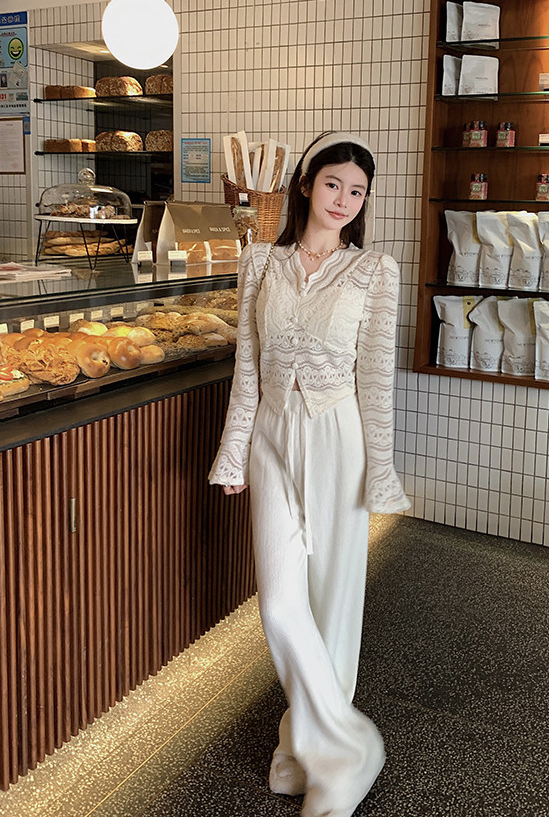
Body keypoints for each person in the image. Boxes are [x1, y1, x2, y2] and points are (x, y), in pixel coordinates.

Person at [209, 130, 410, 817]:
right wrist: (234, 452)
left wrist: (380, 471)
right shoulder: (260, 263)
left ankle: (307, 743)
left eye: (357, 191)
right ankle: (347, 748)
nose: (344, 200)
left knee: (334, 602)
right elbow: (247, 370)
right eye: (333, 184)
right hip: (271, 434)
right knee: (278, 603)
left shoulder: (374, 270)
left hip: (337, 436)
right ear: (305, 184)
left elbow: (376, 379)